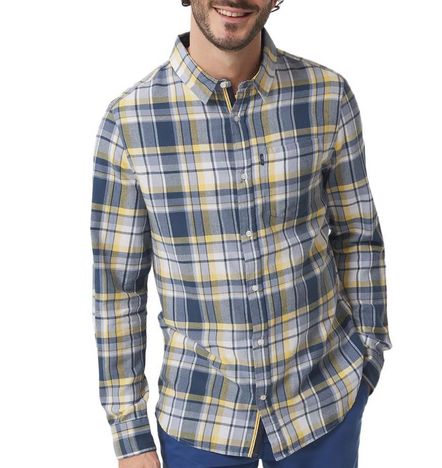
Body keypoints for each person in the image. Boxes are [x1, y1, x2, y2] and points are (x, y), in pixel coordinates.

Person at [89, 1, 393, 467]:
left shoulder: (326, 96)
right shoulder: (129, 123)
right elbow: (117, 288)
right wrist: (130, 436)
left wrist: (368, 356)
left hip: (323, 407)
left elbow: (358, 236)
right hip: (200, 419)